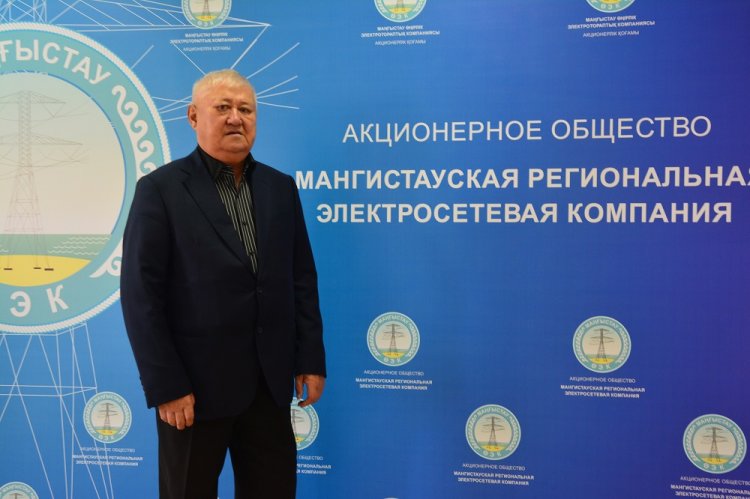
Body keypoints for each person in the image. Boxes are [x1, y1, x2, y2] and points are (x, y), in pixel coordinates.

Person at [120, 69, 326, 499]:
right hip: (192, 394)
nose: (236, 117)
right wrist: (166, 386)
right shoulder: (160, 190)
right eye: (223, 107)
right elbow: (141, 296)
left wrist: (309, 357)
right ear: (194, 116)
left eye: (246, 109)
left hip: (269, 387)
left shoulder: (280, 188)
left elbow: (301, 279)